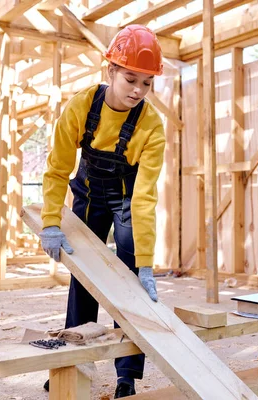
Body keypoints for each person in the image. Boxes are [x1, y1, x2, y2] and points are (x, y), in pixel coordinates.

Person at [38, 25, 166, 398]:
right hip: (89, 195)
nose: (137, 91)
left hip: (127, 199)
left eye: (146, 83)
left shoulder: (152, 126)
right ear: (109, 70)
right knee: (85, 277)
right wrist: (50, 223)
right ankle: (73, 363)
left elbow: (144, 197)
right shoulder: (80, 106)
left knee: (130, 284)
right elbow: (58, 168)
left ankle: (127, 373)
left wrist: (144, 263)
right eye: (130, 79)